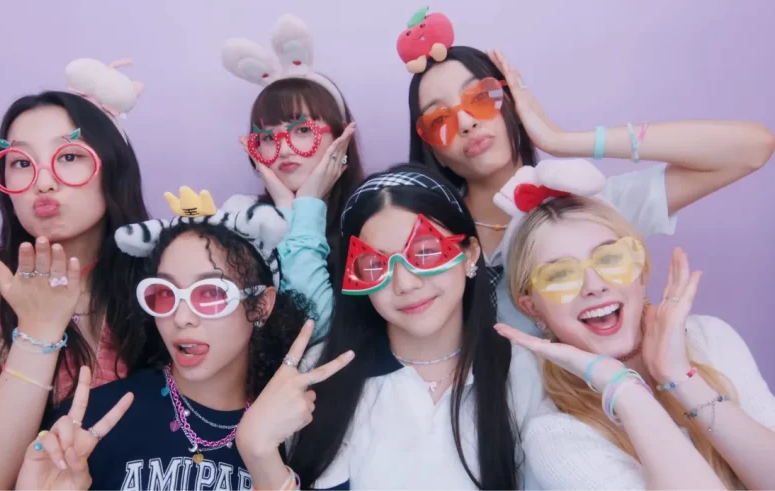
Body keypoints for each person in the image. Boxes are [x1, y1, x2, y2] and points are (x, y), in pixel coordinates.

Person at [402, 9, 775, 335]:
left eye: (481, 98)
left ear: (514, 103)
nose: (465, 121)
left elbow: (750, 149)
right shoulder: (425, 239)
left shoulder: (591, 205)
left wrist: (560, 139)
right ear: (434, 151)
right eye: (439, 120)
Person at [232, 164, 545, 490]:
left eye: (425, 252)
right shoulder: (321, 373)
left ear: (469, 255)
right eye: (374, 264)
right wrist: (258, 453)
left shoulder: (519, 368)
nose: (405, 283)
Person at [0, 58, 149, 490]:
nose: (43, 182)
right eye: (21, 162)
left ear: (113, 165)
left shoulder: (159, 282)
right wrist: (39, 334)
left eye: (69, 155)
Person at [493, 159, 775, 490]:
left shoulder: (709, 337)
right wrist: (624, 389)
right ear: (532, 308)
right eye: (560, 275)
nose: (594, 285)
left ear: (640, 269)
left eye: (610, 259)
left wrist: (679, 377)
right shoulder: (557, 433)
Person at [13, 188, 318, 490]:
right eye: (165, 294)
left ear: (260, 305)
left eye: (211, 293)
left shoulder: (295, 428)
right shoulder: (88, 426)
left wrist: (262, 457)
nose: (181, 317)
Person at [221, 14, 364, 342]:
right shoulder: (241, 218)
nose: (283, 150)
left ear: (342, 137)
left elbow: (311, 325)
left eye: (302, 131)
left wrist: (307, 207)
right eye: (267, 137)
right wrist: (291, 209)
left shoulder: (372, 214)